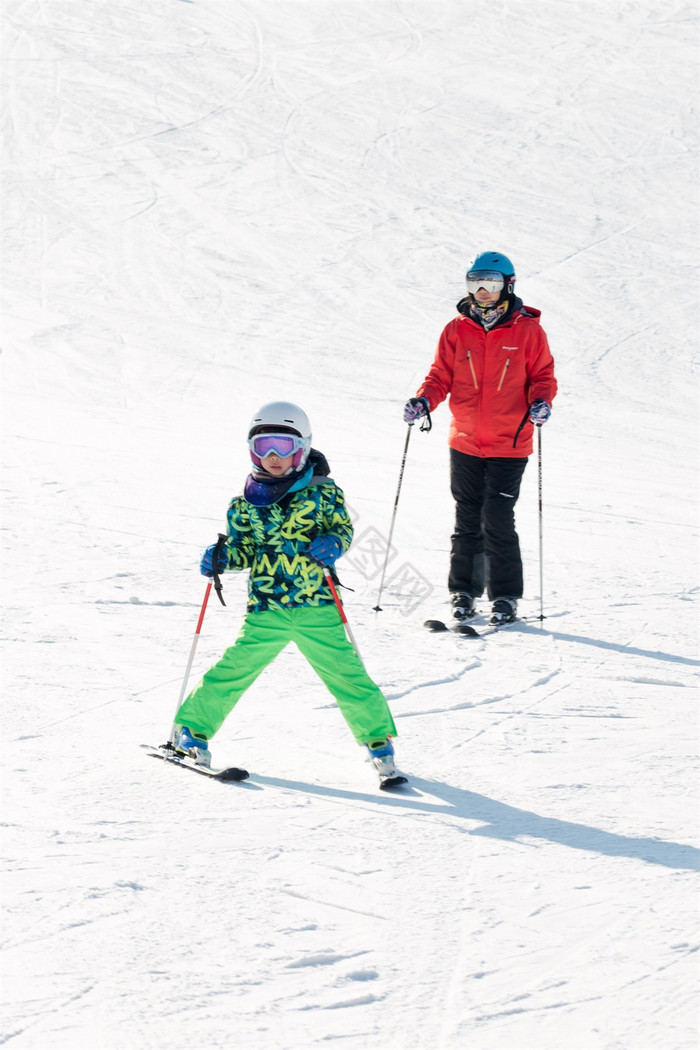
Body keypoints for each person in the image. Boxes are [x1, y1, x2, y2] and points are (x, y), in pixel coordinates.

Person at [172, 400, 401, 783]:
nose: (274, 456)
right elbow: (244, 550)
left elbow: (343, 530)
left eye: (282, 445)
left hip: (318, 606)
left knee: (348, 677)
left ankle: (379, 744)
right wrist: (221, 557)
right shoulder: (244, 504)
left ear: (303, 448)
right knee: (234, 670)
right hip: (267, 608)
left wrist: (333, 542)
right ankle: (192, 731)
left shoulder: (325, 494)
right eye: (264, 447)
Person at [404, 251, 557, 626]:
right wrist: (425, 400)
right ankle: (464, 592)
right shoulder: (457, 329)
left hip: (511, 441)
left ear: (508, 285)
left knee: (498, 517)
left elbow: (543, 377)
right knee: (467, 517)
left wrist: (541, 402)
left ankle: (504, 596)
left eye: (490, 282)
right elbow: (440, 375)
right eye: (475, 283)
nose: (483, 291)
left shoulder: (528, 331)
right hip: (466, 441)